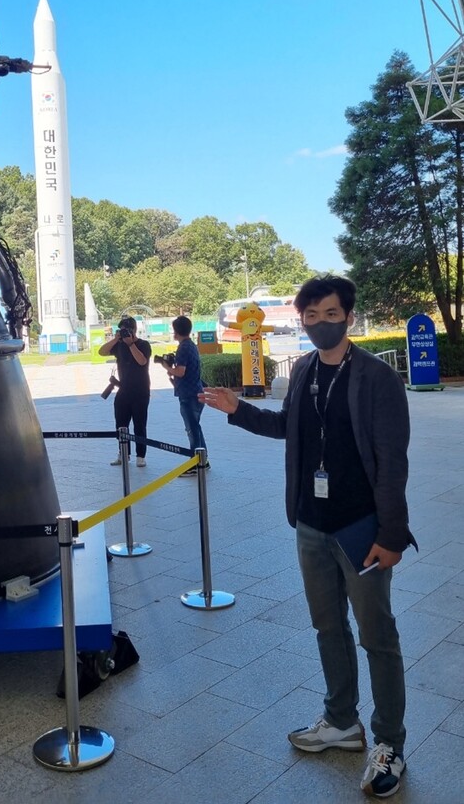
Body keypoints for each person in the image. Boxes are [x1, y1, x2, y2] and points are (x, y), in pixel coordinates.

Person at [200, 275, 415, 799]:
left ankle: (389, 743)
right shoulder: (301, 371)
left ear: (349, 316)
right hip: (311, 525)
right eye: (311, 316)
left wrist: (391, 534)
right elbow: (288, 429)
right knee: (328, 628)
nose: (320, 323)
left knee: (376, 636)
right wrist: (238, 411)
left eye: (330, 314)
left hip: (361, 528)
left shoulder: (374, 379)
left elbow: (392, 466)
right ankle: (341, 720)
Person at [98, 316, 151, 466]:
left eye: (127, 331)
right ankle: (123, 454)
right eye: (122, 331)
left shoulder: (144, 345)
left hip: (141, 391)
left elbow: (142, 361)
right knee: (121, 424)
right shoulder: (119, 346)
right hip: (124, 390)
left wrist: (131, 344)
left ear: (134, 330)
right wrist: (116, 339)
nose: (125, 334)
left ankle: (141, 456)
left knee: (140, 424)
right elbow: (102, 352)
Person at [158, 315, 206, 475]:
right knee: (196, 428)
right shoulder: (191, 345)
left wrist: (167, 367)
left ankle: (195, 463)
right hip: (196, 392)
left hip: (189, 395)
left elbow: (180, 371)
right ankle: (203, 460)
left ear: (176, 331)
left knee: (191, 430)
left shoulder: (183, 348)